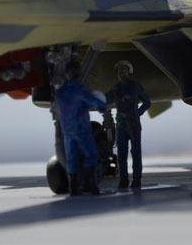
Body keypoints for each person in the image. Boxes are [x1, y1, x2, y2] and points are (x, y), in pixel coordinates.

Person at [54, 61, 108, 196]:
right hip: (82, 129)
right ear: (79, 73)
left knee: (71, 158)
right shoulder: (81, 90)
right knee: (92, 155)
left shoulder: (60, 93)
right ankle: (88, 183)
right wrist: (102, 106)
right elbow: (96, 103)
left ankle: (73, 188)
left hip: (67, 131)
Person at [106, 60, 151, 189]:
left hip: (133, 123)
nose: (121, 73)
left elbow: (147, 103)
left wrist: (138, 113)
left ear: (129, 72)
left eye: (124, 70)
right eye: (119, 71)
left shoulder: (136, 87)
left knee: (136, 151)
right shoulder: (115, 89)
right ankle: (123, 180)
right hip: (121, 125)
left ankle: (136, 180)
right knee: (121, 153)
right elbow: (106, 100)